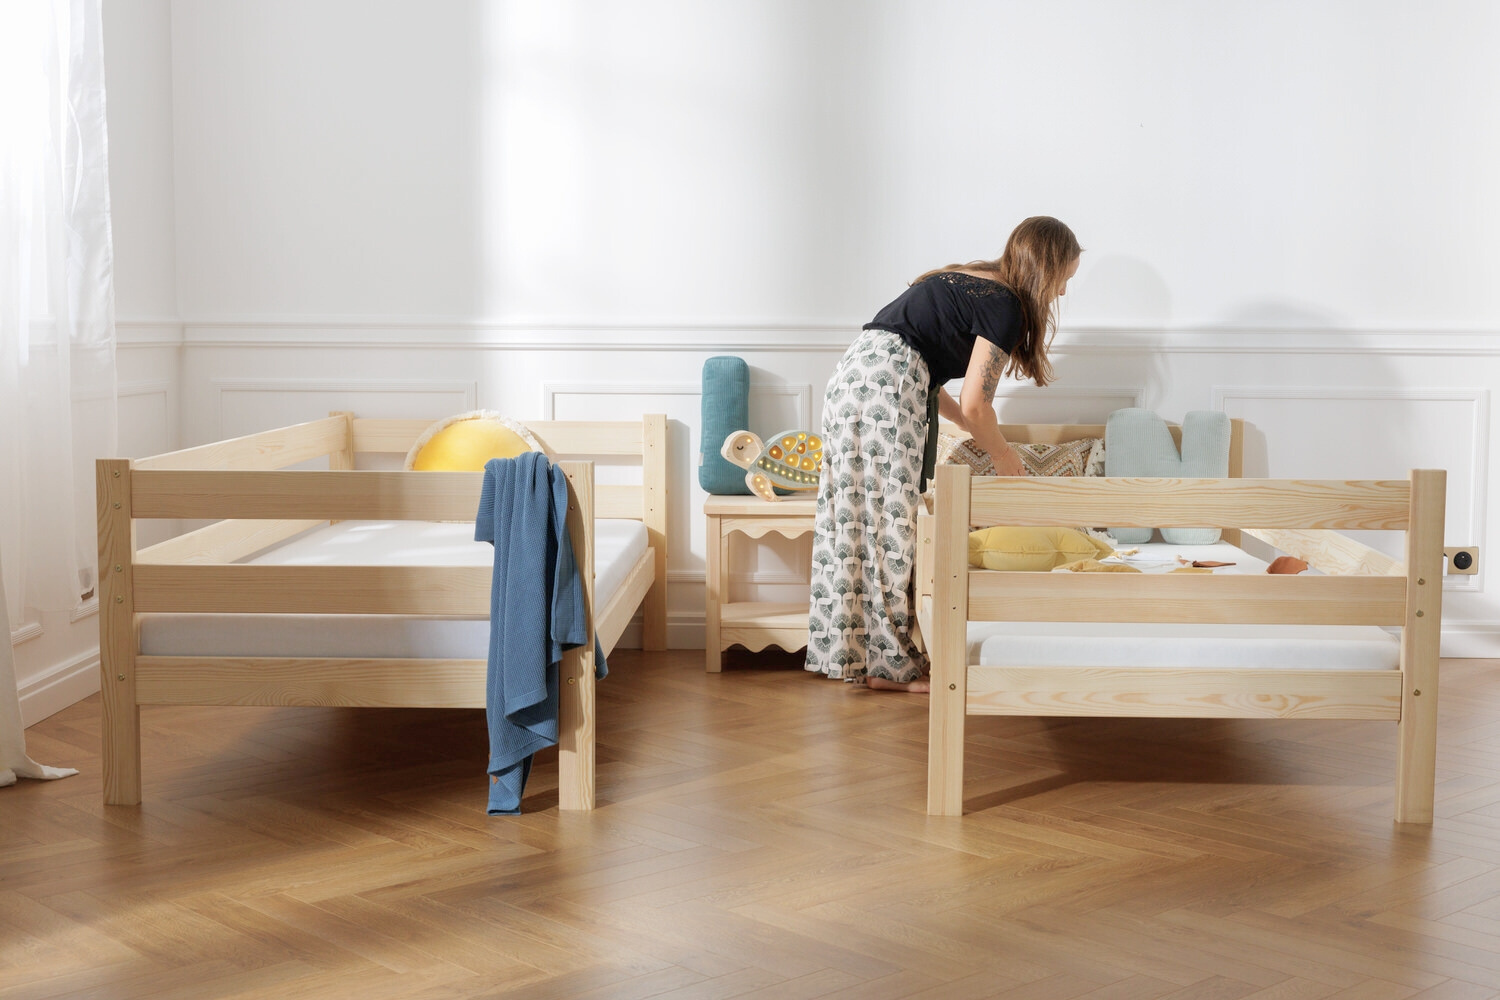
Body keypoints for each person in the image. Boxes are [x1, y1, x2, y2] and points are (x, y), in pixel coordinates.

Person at [805, 216, 1082, 692]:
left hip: (855, 376)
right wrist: (1002, 456)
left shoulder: (968, 278)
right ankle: (889, 666)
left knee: (854, 517)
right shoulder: (1005, 304)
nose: (1059, 293)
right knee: (891, 521)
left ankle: (862, 656)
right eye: (1062, 280)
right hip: (888, 388)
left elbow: (929, 371)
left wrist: (967, 425)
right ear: (1046, 267)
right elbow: (976, 403)